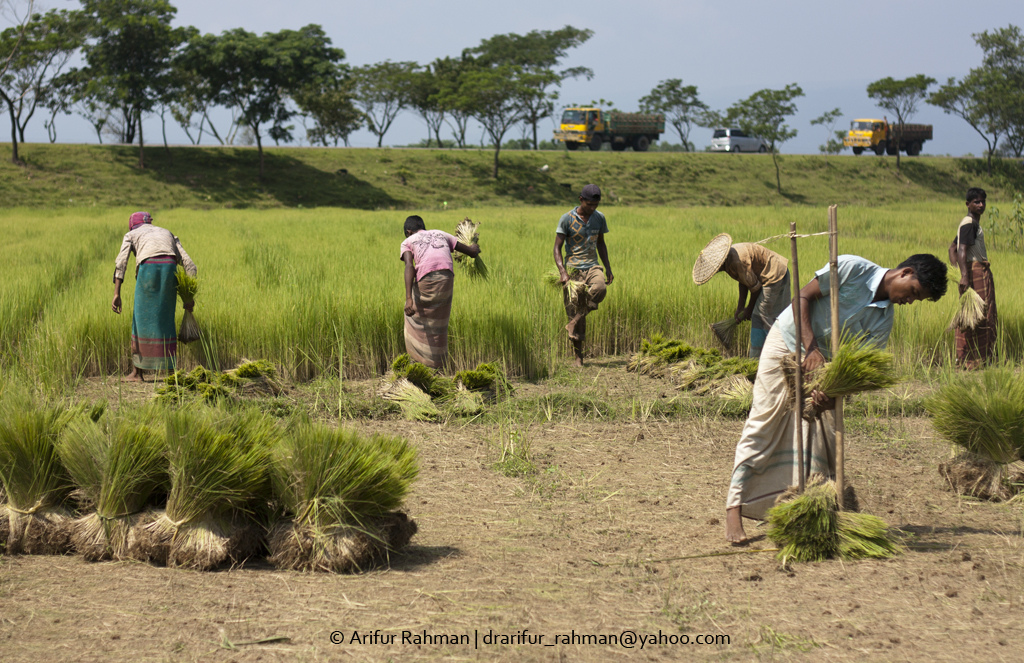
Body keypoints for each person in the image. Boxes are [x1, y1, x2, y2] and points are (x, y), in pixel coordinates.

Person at [725, 253, 948, 544]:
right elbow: (801, 299)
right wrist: (811, 348)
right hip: (789, 341)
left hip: (823, 368)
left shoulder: (883, 320)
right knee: (764, 421)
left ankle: (803, 508)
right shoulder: (853, 269)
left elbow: (857, 370)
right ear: (905, 272)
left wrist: (831, 395)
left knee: (818, 437)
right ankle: (734, 509)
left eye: (917, 300)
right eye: (914, 292)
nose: (910, 301)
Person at [111, 211, 197, 382]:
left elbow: (121, 263)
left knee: (140, 319)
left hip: (148, 269)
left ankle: (137, 373)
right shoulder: (167, 233)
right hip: (170, 270)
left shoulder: (131, 234)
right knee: (166, 319)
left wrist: (116, 293)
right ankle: (171, 372)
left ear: (133, 226)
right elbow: (190, 266)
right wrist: (188, 296)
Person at [400, 215, 480, 369]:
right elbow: (471, 252)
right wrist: (474, 247)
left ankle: (420, 363)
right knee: (439, 323)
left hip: (427, 280)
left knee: (413, 317)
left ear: (408, 232)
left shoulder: (407, 242)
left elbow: (409, 266)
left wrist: (409, 298)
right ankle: (438, 365)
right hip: (446, 279)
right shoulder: (441, 233)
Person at [693, 233, 790, 357]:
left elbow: (755, 289)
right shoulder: (729, 260)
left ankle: (764, 357)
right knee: (770, 317)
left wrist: (749, 309)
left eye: (715, 269)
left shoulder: (737, 261)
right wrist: (740, 307)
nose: (716, 271)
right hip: (771, 273)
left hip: (774, 274)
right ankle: (768, 355)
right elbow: (744, 281)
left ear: (719, 263)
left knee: (760, 317)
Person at [554, 184, 614, 367]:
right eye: (589, 204)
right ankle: (578, 358)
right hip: (573, 269)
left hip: (593, 266)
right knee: (574, 308)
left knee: (600, 289)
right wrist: (563, 272)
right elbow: (556, 248)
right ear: (581, 200)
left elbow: (601, 244)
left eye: (596, 204)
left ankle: (575, 321)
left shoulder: (599, 218)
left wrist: (608, 268)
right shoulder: (567, 219)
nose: (593, 208)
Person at [952, 187, 996, 370]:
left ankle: (966, 360)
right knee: (981, 315)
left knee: (971, 314)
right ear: (967, 204)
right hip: (975, 272)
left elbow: (952, 248)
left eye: (983, 201)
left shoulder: (970, 224)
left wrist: (957, 271)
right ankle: (976, 361)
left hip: (972, 272)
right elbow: (960, 250)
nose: (981, 205)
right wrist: (963, 275)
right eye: (976, 202)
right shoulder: (969, 223)